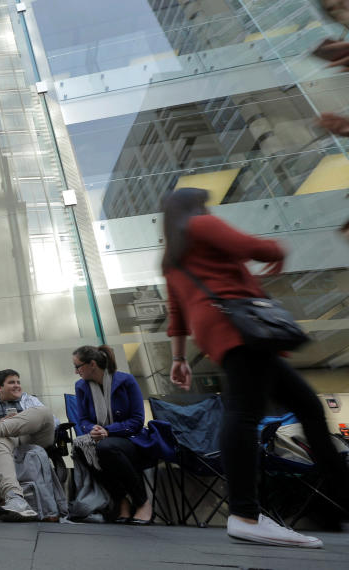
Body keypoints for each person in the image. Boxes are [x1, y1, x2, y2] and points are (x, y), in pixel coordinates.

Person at [163, 187, 349, 548]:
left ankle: (339, 500)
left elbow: (177, 314)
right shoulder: (201, 225)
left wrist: (178, 358)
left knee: (307, 406)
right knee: (244, 412)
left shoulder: (172, 257)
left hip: (227, 333)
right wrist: (277, 250)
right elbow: (250, 246)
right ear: (194, 207)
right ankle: (245, 513)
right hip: (243, 327)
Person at [71, 345, 151, 525]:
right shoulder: (81, 386)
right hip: (100, 439)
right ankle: (121, 500)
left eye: (78, 366)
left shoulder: (126, 381)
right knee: (81, 447)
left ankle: (142, 502)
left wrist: (109, 431)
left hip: (129, 439)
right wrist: (92, 429)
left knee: (105, 447)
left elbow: (137, 420)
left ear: (92, 364)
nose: (76, 372)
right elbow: (82, 419)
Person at [0, 369, 55, 522]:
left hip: (32, 437)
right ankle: (15, 499)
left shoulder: (29, 400)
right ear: (0, 387)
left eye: (18, 382)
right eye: (11, 382)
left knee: (44, 412)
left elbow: (53, 421)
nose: (17, 386)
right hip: (5, 441)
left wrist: (17, 421)